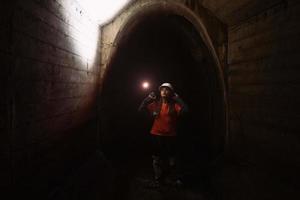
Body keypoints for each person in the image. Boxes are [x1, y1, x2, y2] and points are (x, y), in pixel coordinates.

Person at [139, 82, 188, 188]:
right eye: (162, 89)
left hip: (171, 135)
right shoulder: (156, 104)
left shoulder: (174, 105)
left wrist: (178, 99)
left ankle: (173, 178)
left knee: (172, 160)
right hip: (156, 135)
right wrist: (148, 99)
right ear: (160, 92)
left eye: (167, 89)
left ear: (171, 93)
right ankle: (159, 180)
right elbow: (141, 109)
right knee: (157, 159)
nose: (164, 91)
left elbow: (185, 110)